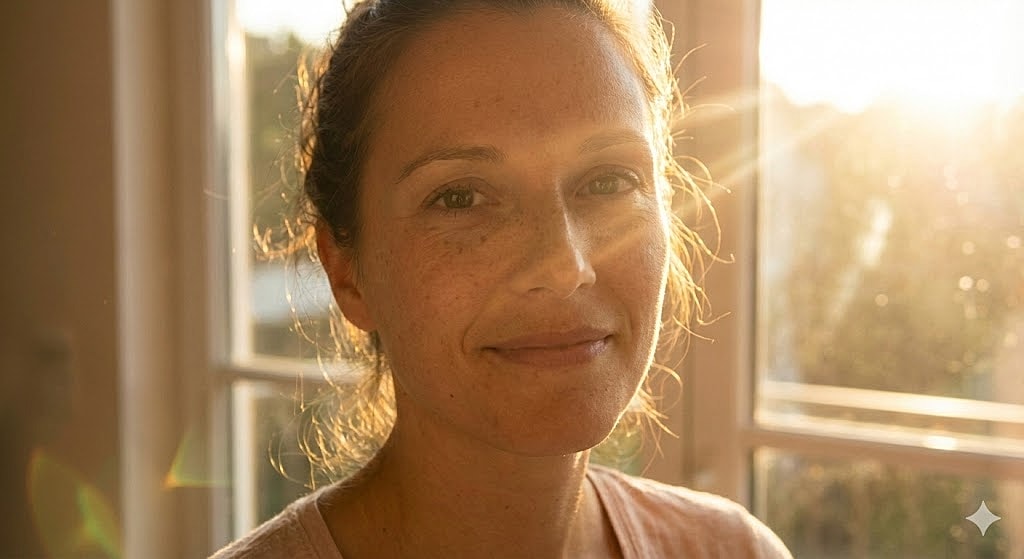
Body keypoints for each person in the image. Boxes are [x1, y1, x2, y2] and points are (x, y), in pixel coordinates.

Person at [212, 0, 792, 557]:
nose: (565, 266)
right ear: (347, 274)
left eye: (608, 181)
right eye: (460, 197)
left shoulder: (732, 551)